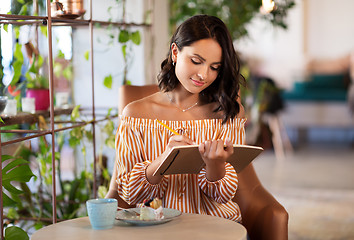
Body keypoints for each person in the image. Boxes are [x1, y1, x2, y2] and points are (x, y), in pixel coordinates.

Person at [115, 14, 246, 222]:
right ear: (175, 52)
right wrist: (162, 162)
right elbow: (129, 195)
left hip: (216, 229)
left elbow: (224, 196)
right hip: (156, 231)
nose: (204, 75)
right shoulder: (135, 115)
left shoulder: (227, 112)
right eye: (196, 61)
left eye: (214, 67)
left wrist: (215, 166)